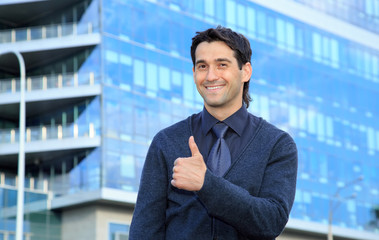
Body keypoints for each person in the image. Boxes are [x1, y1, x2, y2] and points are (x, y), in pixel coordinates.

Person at [129, 26, 298, 240]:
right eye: (202, 66)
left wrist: (206, 183)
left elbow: (271, 221)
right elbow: (144, 231)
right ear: (194, 73)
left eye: (222, 65)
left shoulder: (277, 144)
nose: (210, 76)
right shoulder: (166, 141)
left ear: (245, 71)